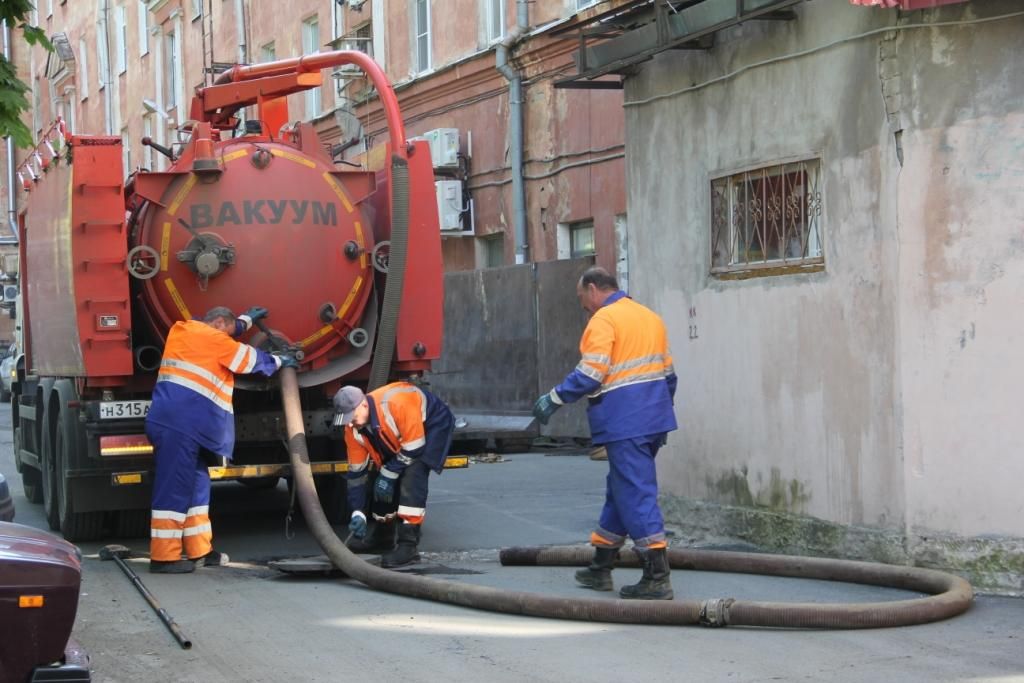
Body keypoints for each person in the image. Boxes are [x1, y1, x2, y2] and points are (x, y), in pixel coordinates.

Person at [533, 267, 678, 600]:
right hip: (652, 419)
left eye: (581, 297)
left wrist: (554, 398)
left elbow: (591, 373)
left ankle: (657, 576)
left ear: (594, 288)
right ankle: (601, 567)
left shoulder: (603, 320)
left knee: (636, 493)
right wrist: (659, 413)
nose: (583, 305)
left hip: (625, 421)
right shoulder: (650, 317)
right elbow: (669, 375)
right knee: (621, 490)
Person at [146, 306, 298, 573]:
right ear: (218, 324)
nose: (232, 336)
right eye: (230, 331)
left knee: (196, 487)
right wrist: (279, 361)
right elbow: (248, 360)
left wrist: (245, 322)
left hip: (179, 423)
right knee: (174, 490)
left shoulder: (181, 330)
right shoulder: (217, 341)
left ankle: (200, 551)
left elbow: (224, 329)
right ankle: (163, 558)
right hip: (181, 425)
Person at [333, 381, 455, 568]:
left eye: (352, 417)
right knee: (380, 481)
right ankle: (383, 537)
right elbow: (357, 474)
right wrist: (358, 512)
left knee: (412, 476)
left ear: (364, 404)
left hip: (432, 425)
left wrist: (390, 472)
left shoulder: (397, 403)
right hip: (401, 435)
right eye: (346, 419)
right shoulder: (353, 429)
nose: (350, 423)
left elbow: (414, 447)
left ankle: (409, 546)